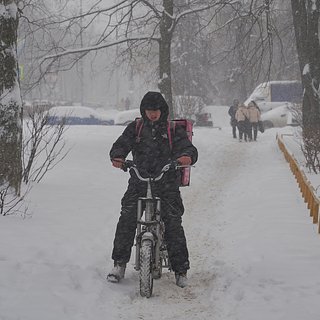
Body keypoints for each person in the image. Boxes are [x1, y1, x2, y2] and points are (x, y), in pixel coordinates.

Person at [107, 91, 198, 288]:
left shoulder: (172, 130)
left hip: (166, 183)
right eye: (149, 110)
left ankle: (180, 270)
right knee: (127, 217)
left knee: (173, 222)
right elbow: (120, 145)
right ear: (144, 110)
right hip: (139, 180)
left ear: (162, 110)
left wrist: (186, 157)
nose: (153, 114)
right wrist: (118, 157)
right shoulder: (136, 128)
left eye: (156, 110)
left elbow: (189, 149)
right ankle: (119, 264)